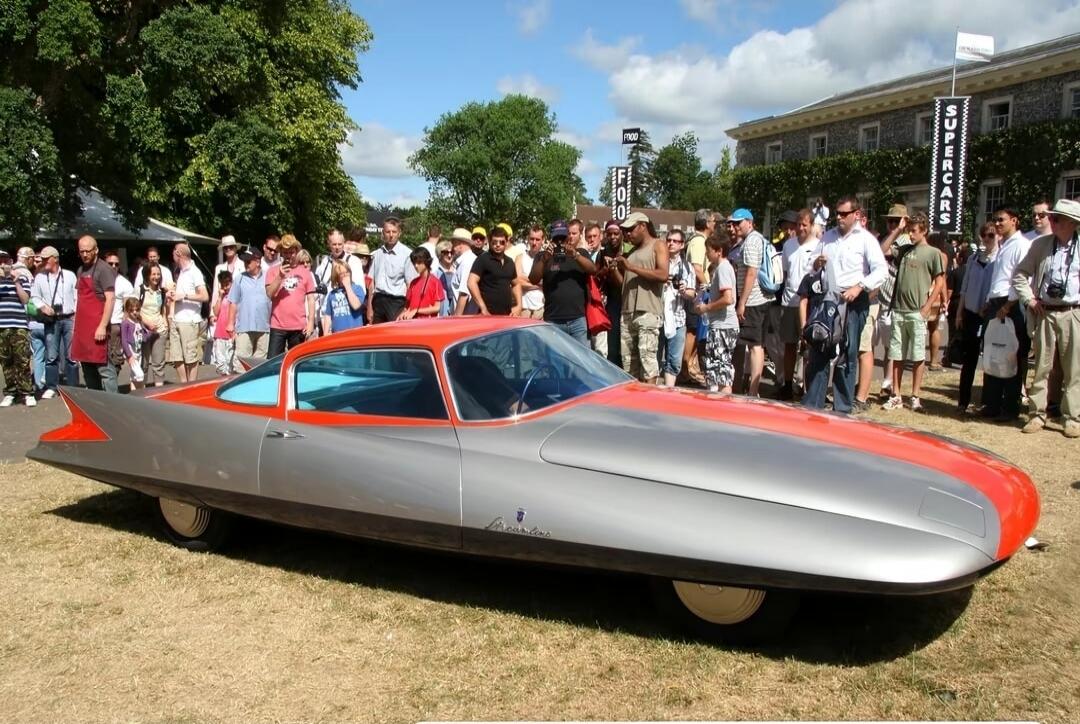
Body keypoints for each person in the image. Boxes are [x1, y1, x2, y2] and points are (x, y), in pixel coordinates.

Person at [802, 196, 887, 414]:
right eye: (837, 213)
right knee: (820, 348)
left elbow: (881, 271)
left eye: (844, 214)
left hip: (854, 301)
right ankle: (813, 404)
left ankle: (842, 407)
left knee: (848, 354)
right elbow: (809, 264)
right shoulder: (828, 237)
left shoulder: (866, 240)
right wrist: (816, 263)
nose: (839, 217)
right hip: (829, 298)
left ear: (856, 215)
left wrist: (860, 286)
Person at [1014, 198, 1080, 438]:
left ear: (1072, 223)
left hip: (1074, 312)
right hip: (1045, 313)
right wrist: (1030, 300)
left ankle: (1072, 418)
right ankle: (1037, 415)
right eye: (1051, 217)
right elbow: (1020, 274)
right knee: (1041, 367)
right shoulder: (1041, 246)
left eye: (1056, 218)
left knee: (1075, 369)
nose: (1051, 220)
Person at [881, 214, 945, 413]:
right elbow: (882, 250)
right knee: (896, 354)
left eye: (914, 231)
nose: (911, 234)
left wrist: (928, 306)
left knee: (918, 356)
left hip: (917, 311)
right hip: (899, 310)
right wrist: (898, 229)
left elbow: (940, 281)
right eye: (909, 230)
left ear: (924, 230)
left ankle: (915, 396)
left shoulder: (933, 253)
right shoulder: (905, 249)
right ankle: (896, 395)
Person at [981, 204, 1032, 420]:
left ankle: (1010, 407)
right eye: (996, 220)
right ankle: (991, 404)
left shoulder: (1021, 245)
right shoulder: (1003, 246)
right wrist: (988, 300)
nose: (998, 224)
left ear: (1014, 220)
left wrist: (1008, 305)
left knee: (1010, 355)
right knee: (993, 353)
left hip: (1010, 304)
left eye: (1002, 219)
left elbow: (1022, 278)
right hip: (995, 302)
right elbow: (999, 277)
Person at [610, 212, 668, 383]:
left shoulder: (658, 245)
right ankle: (634, 405)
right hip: (627, 312)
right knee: (628, 366)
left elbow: (663, 274)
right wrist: (614, 269)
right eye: (625, 231)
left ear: (643, 226)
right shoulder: (632, 252)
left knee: (648, 364)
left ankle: (650, 405)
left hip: (647, 312)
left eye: (631, 229)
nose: (627, 234)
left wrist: (631, 267)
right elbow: (625, 284)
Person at [729, 207, 776, 397]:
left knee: (754, 345)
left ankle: (753, 391)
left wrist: (742, 302)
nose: (735, 227)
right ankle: (752, 388)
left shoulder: (751, 242)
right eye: (733, 223)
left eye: (738, 223)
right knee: (757, 344)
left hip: (755, 300)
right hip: (762, 299)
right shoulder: (758, 239)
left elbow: (751, 272)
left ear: (749, 222)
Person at [527, 220, 597, 345]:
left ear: (568, 237)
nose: (560, 242)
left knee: (581, 360)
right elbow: (533, 279)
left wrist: (575, 255)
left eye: (562, 238)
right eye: (556, 239)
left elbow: (593, 270)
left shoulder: (580, 253)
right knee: (555, 361)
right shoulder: (543, 256)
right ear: (551, 239)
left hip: (577, 320)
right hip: (553, 320)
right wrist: (545, 259)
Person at [956, 222, 999, 414]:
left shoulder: (999, 260)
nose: (987, 239)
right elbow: (964, 289)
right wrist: (959, 312)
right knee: (969, 360)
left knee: (990, 359)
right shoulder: (973, 259)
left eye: (991, 235)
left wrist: (989, 305)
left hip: (990, 315)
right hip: (972, 314)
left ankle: (988, 402)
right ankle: (962, 401)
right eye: (984, 235)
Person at [778, 209, 817, 400]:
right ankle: (787, 384)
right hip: (789, 301)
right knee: (789, 345)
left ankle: (806, 388)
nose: (801, 228)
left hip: (808, 304)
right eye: (799, 224)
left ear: (811, 225)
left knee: (807, 347)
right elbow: (785, 272)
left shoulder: (818, 246)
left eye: (805, 225)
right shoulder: (788, 245)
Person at [71, 235, 118, 392]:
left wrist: (102, 326)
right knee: (87, 369)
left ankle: (114, 404)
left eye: (88, 251)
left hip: (98, 327)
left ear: (96, 250)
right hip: (83, 331)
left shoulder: (104, 270)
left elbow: (110, 299)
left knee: (105, 370)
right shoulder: (80, 270)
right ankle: (95, 404)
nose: (84, 254)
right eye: (81, 251)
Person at [694, 233, 738, 393]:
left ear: (718, 251)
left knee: (722, 369)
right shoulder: (721, 269)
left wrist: (706, 307)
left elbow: (728, 298)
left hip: (724, 327)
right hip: (718, 325)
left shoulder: (723, 268)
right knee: (714, 367)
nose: (706, 253)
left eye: (708, 250)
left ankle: (724, 403)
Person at [30, 246, 78, 396]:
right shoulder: (40, 277)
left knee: (71, 355)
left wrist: (76, 315)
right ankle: (51, 386)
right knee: (51, 355)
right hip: (51, 319)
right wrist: (43, 307)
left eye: (46, 258)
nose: (44, 261)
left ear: (55, 258)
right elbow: (35, 297)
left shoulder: (69, 275)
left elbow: (77, 296)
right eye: (42, 259)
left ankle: (73, 387)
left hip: (68, 317)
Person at [265, 234, 316, 355]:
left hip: (298, 326)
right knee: (272, 363)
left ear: (296, 251)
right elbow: (269, 294)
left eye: (291, 252)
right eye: (285, 252)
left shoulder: (305, 272)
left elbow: (311, 299)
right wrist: (280, 276)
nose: (289, 256)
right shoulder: (272, 271)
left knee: (297, 360)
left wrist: (311, 323)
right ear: (281, 253)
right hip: (278, 325)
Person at [167, 243, 208, 383]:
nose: (172, 257)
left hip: (189, 321)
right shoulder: (181, 272)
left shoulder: (194, 272)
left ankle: (192, 387)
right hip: (177, 319)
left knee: (191, 358)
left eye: (173, 253)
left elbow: (204, 296)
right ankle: (184, 386)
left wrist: (183, 296)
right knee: (176, 357)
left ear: (178, 254)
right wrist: (173, 296)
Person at [658, 230, 695, 386]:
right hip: (658, 316)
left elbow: (692, 293)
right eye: (669, 240)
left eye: (675, 241)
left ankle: (668, 392)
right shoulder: (659, 262)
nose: (670, 243)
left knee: (673, 361)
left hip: (677, 317)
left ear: (682, 245)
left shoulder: (687, 267)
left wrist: (683, 290)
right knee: (655, 358)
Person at [681, 209, 714, 386]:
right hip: (697, 293)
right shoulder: (698, 242)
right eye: (713, 221)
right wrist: (707, 287)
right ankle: (686, 368)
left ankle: (690, 366)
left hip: (698, 291)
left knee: (695, 330)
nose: (715, 224)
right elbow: (697, 267)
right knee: (693, 331)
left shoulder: (699, 241)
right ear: (707, 223)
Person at [0, 248, 34, 406]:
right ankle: (10, 391)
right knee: (6, 361)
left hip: (19, 324)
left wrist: (15, 281)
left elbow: (25, 299)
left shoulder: (21, 278)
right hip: (2, 325)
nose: (3, 264)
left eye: (5, 260)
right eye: (0, 261)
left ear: (11, 262)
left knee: (22, 359)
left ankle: (27, 392)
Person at [367, 217, 417, 323]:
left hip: (396, 302)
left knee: (394, 337)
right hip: (378, 301)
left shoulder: (407, 254)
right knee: (377, 337)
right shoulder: (377, 254)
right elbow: (372, 283)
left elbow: (411, 285)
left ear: (399, 233)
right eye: (387, 231)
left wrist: (407, 309)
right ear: (383, 233)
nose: (391, 235)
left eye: (394, 232)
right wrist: (369, 308)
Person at [314, 230, 365, 331]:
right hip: (326, 316)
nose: (337, 247)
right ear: (329, 244)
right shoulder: (324, 263)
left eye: (340, 244)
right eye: (334, 244)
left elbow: (361, 292)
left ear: (344, 243)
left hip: (348, 318)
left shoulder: (354, 261)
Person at [228, 249, 271, 360]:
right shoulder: (239, 278)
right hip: (244, 326)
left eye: (248, 261)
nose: (245, 264)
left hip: (264, 326)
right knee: (242, 361)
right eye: (244, 261)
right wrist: (230, 324)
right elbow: (233, 302)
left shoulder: (268, 277)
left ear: (257, 262)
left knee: (261, 363)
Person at [468, 225, 520, 316]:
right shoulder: (483, 259)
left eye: (502, 242)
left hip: (507, 315)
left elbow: (516, 283)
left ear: (507, 242)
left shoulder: (510, 262)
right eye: (494, 242)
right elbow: (471, 283)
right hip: (488, 315)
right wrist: (483, 308)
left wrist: (519, 305)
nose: (498, 245)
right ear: (489, 242)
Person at [103, 251, 134, 386]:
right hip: (100, 324)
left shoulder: (124, 283)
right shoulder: (98, 280)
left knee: (115, 358)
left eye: (116, 264)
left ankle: (112, 387)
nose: (114, 266)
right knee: (100, 358)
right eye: (110, 263)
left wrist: (124, 327)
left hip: (116, 325)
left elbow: (128, 308)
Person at [138, 264, 169, 387]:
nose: (156, 277)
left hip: (159, 331)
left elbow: (163, 309)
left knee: (159, 364)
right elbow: (134, 310)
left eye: (158, 274)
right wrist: (146, 323)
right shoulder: (140, 290)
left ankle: (159, 391)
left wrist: (165, 323)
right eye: (153, 274)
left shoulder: (161, 292)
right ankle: (141, 390)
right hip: (144, 331)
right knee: (143, 364)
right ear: (147, 275)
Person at [398, 249, 444, 320]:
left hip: (427, 325)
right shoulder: (413, 282)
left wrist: (417, 310)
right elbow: (407, 307)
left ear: (427, 262)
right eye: (414, 263)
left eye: (419, 262)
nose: (416, 265)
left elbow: (437, 308)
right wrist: (402, 314)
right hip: (411, 324)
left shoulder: (436, 282)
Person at [321, 261, 366, 334]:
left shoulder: (357, 289)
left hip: (355, 334)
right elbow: (328, 315)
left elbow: (356, 305)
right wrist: (325, 333)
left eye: (347, 272)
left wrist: (347, 286)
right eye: (342, 273)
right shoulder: (332, 294)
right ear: (337, 277)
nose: (345, 275)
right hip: (338, 335)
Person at [210, 235, 244, 329]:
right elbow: (215, 292)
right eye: (225, 248)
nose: (228, 249)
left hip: (239, 310)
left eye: (231, 247)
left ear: (236, 248)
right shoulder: (219, 268)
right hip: (223, 309)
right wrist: (212, 314)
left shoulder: (244, 266)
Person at [211, 270, 239, 376]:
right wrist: (219, 297)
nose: (226, 287)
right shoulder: (221, 297)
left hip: (231, 335)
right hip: (219, 334)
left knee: (230, 364)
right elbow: (215, 312)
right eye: (223, 285)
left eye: (227, 284)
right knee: (220, 364)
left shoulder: (236, 297)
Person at [515, 224, 546, 320]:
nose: (534, 242)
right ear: (528, 239)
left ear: (543, 240)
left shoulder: (547, 259)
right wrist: (539, 284)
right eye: (532, 239)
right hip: (525, 309)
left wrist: (527, 279)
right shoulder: (520, 258)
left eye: (537, 239)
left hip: (542, 308)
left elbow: (549, 282)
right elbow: (518, 282)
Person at [450, 228, 478, 316]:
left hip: (464, 319)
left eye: (453, 243)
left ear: (460, 244)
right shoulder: (466, 261)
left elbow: (464, 294)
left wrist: (456, 319)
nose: (452, 248)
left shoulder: (467, 263)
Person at [120, 297, 145, 390]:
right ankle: (142, 392)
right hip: (131, 351)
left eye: (137, 310)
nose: (134, 312)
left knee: (134, 376)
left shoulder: (139, 321)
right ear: (127, 310)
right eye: (131, 310)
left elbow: (144, 335)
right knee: (140, 375)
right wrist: (129, 355)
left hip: (138, 350)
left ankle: (135, 394)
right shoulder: (125, 323)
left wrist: (153, 333)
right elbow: (124, 340)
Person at [433, 240, 456, 316]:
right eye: (446, 253)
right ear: (440, 254)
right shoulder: (435, 275)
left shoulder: (458, 270)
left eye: (451, 252)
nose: (449, 255)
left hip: (457, 313)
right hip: (442, 314)